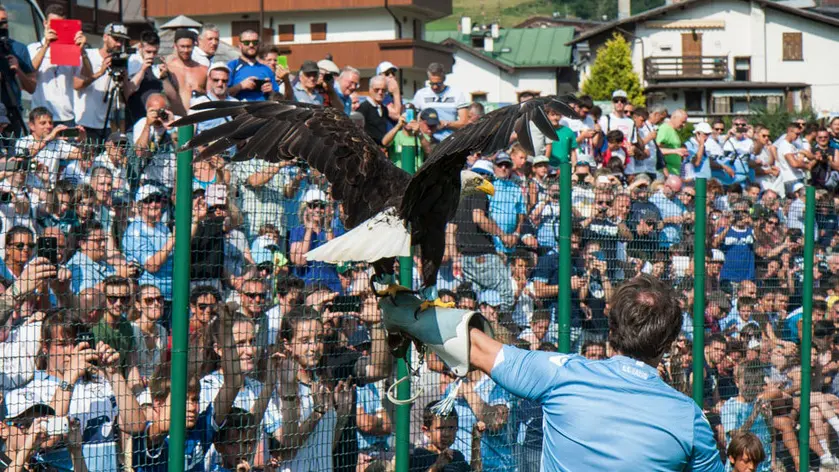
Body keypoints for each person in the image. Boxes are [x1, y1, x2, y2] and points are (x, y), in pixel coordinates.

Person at [446, 274, 723, 470]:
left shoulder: (563, 375)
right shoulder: (690, 419)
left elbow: (474, 346)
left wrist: (410, 312)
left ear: (612, 329)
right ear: (668, 343)